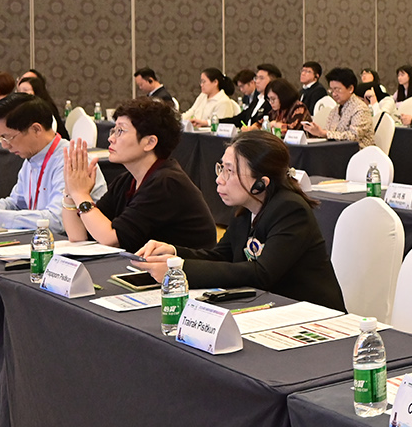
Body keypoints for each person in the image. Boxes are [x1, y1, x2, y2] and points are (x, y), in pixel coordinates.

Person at [136, 130, 344, 310]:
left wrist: (182, 269)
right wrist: (174, 253)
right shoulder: (246, 209)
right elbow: (222, 256)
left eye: (230, 171)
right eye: (221, 168)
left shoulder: (290, 210)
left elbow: (262, 274)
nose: (219, 179)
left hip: (313, 314)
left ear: (261, 183)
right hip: (270, 308)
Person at [61, 99, 214, 253]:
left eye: (121, 131)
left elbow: (111, 239)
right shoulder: (127, 181)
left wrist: (81, 194)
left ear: (149, 142)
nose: (111, 138)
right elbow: (78, 236)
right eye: (113, 130)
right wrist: (70, 191)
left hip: (183, 267)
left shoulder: (166, 183)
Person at [0, 95, 102, 231]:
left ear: (36, 129)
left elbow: (57, 221)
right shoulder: (33, 156)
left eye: (8, 137)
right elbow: (16, 204)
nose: (4, 145)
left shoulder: (71, 160)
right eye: (0, 138)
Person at [306, 68, 376, 142]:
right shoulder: (335, 110)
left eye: (337, 89)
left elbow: (354, 136)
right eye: (332, 90)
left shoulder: (360, 109)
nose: (334, 94)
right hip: (336, 147)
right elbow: (328, 132)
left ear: (350, 89)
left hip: (359, 148)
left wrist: (323, 133)